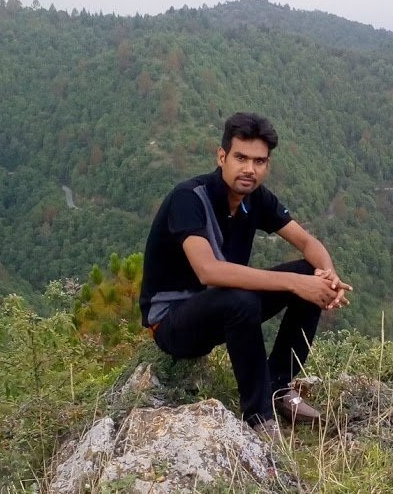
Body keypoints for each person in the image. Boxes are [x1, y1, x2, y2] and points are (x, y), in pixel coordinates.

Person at [139, 112, 352, 440]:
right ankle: (259, 417)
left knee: (310, 273)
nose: (249, 169)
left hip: (224, 307)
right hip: (173, 323)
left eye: (259, 161)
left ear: (267, 165)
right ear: (221, 157)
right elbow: (209, 271)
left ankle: (279, 388)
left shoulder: (256, 198)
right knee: (245, 296)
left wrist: (328, 277)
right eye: (240, 158)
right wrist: (296, 283)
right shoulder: (189, 198)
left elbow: (308, 244)